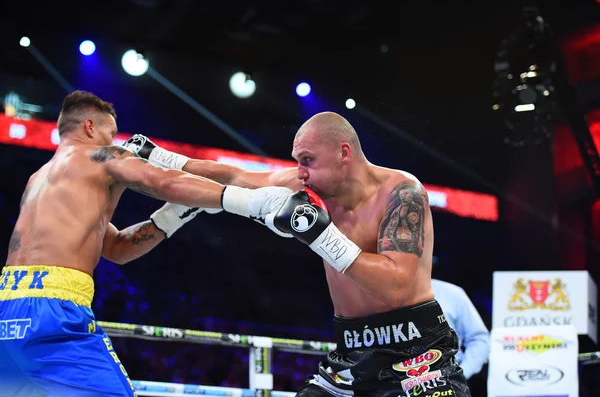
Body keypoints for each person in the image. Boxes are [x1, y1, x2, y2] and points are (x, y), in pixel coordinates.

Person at [124, 111, 472, 397]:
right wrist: (159, 157)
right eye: (298, 162)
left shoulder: (402, 193)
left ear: (344, 153)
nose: (300, 172)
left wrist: (319, 235)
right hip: (350, 354)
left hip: (416, 352)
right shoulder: (309, 184)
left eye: (308, 161)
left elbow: (395, 286)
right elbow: (235, 175)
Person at [0, 90, 293, 397]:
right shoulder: (101, 156)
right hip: (53, 311)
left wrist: (172, 216)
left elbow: (117, 248)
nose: (114, 142)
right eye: (110, 133)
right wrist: (249, 202)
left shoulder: (38, 180)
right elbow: (163, 181)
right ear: (89, 127)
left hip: (8, 311)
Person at [431, 279, 490, 379]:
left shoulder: (451, 293)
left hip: (449, 384)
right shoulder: (394, 296)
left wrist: (460, 375)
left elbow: (479, 339)